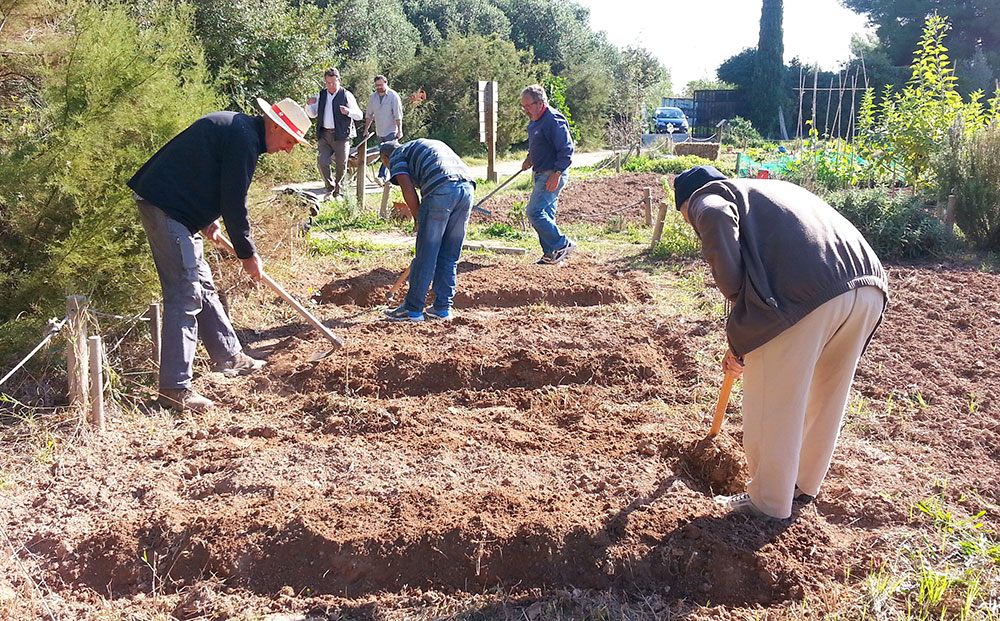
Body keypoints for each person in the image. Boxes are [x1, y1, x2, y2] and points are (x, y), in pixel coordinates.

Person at [673, 165, 888, 520]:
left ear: (686, 203)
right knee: (825, 393)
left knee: (773, 399)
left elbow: (712, 215)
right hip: (867, 286)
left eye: (685, 217)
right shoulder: (766, 192)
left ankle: (767, 502)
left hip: (803, 292)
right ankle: (802, 485)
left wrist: (741, 305)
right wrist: (744, 338)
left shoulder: (707, 198)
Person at [128, 97, 311, 413]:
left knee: (203, 286)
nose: (289, 148)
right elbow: (234, 203)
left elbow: (201, 172)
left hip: (180, 211)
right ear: (275, 125)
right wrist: (247, 253)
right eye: (289, 140)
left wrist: (207, 219)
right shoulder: (243, 139)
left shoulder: (239, 130)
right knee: (184, 295)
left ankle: (229, 357)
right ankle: (175, 389)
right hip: (166, 210)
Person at [380, 139, 476, 322]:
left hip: (441, 189)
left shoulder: (396, 156)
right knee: (449, 254)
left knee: (426, 254)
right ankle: (442, 308)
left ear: (385, 158)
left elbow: (407, 188)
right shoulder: (420, 146)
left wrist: (418, 218)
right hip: (467, 188)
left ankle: (412, 308)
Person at [520, 84, 575, 265]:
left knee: (534, 212)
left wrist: (557, 173)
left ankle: (562, 243)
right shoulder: (536, 120)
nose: (526, 110)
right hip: (540, 172)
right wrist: (530, 158)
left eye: (528, 106)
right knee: (546, 214)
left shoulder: (553, 119)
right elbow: (540, 143)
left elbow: (566, 150)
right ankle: (551, 254)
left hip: (551, 173)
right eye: (524, 106)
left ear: (540, 102)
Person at [307, 68, 363, 200]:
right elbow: (313, 114)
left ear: (339, 81)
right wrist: (309, 105)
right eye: (328, 83)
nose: (331, 86)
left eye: (333, 82)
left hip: (342, 135)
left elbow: (359, 115)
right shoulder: (321, 95)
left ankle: (339, 192)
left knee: (341, 164)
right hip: (324, 133)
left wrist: (348, 112)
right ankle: (329, 188)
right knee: (322, 161)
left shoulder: (346, 95)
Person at [363, 74, 403, 183]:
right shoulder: (373, 97)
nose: (379, 87)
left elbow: (398, 115)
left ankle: (382, 177)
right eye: (377, 85)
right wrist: (366, 129)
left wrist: (400, 130)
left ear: (386, 83)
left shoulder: (393, 96)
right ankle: (391, 177)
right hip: (379, 131)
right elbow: (369, 115)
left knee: (388, 154)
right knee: (383, 154)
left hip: (391, 131)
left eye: (381, 85)